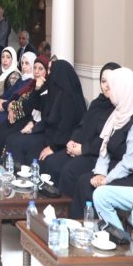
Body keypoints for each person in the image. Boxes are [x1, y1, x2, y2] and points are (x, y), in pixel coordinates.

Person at [68, 67, 133, 218]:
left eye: (112, 87)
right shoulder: (119, 113)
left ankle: (103, 230)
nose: (108, 90)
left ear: (123, 91)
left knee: (90, 187)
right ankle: (78, 227)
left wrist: (106, 179)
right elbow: (104, 149)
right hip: (119, 167)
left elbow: (131, 163)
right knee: (83, 181)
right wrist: (100, 172)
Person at [41, 62, 121, 190]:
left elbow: (106, 140)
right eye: (103, 81)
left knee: (68, 171)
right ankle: (51, 198)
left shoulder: (119, 109)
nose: (106, 85)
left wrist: (83, 149)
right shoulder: (97, 103)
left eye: (111, 81)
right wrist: (72, 141)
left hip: (96, 155)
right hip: (80, 147)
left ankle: (65, 203)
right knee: (52, 162)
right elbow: (81, 125)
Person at [5, 60, 86, 167]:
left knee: (20, 144)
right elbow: (36, 108)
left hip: (61, 141)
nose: (50, 75)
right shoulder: (55, 91)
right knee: (13, 139)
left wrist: (54, 147)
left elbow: (66, 128)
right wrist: (33, 124)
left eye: (51, 71)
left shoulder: (69, 99)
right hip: (48, 133)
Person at [0, 56, 49, 151]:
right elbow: (16, 97)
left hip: (29, 119)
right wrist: (11, 107)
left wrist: (14, 108)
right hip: (18, 115)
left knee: (4, 137)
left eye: (40, 69)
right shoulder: (32, 84)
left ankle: (3, 159)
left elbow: (31, 105)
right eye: (35, 68)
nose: (36, 71)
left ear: (46, 72)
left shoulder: (46, 88)